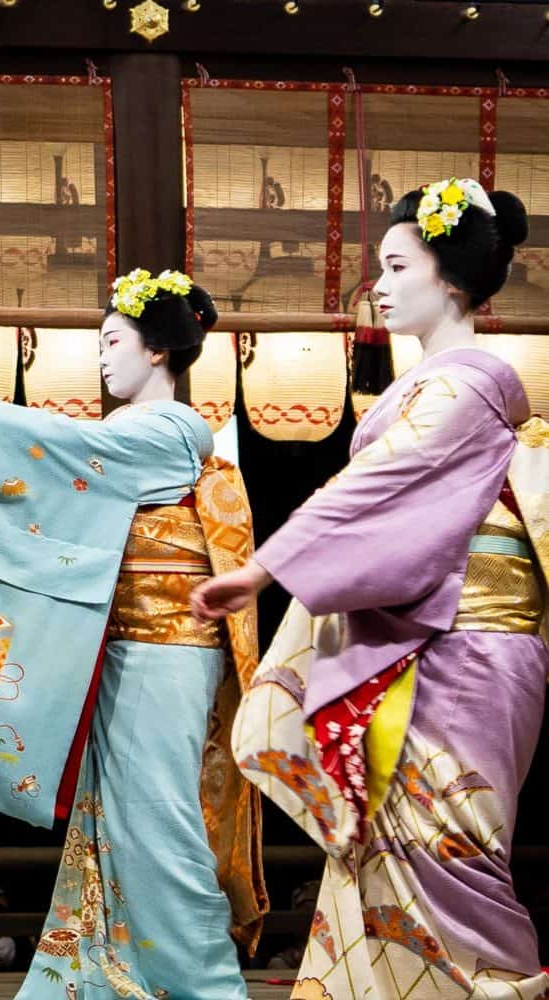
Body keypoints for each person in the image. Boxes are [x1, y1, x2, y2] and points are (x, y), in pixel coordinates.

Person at [191, 179, 549, 999]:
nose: (377, 287)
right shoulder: (427, 387)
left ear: (451, 278)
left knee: (454, 852)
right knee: (391, 849)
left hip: (466, 644)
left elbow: (376, 484)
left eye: (396, 265)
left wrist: (263, 568)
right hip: (424, 639)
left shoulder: (466, 383)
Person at [0, 268, 267, 999]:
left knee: (160, 822)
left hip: (166, 648)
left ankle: (207, 985)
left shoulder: (177, 426)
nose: (102, 355)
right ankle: (119, 975)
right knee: (114, 822)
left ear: (157, 352)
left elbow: (71, 454)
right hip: (124, 645)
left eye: (112, 340)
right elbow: (65, 460)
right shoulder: (123, 432)